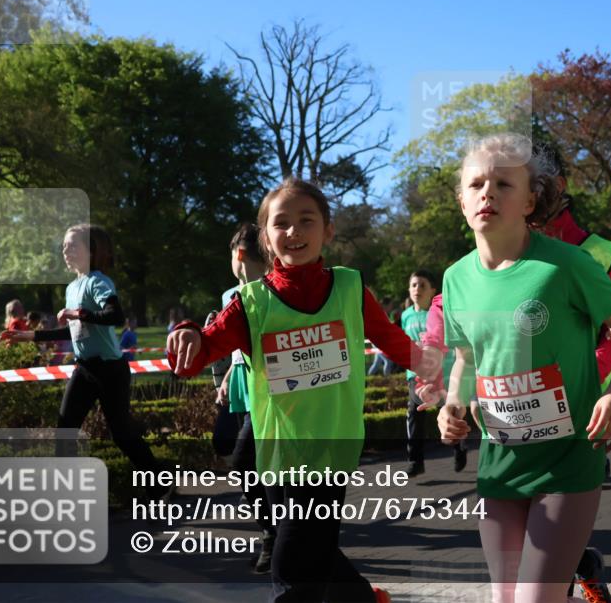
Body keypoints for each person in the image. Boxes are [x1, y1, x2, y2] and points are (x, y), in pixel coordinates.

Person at [167, 178, 437, 603]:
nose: (294, 232)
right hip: (278, 450)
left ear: (327, 230)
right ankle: (365, 599)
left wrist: (440, 371)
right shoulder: (250, 302)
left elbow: (392, 340)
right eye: (282, 223)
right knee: (315, 543)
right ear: (267, 239)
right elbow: (202, 349)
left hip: (332, 447)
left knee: (292, 559)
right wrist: (186, 333)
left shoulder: (350, 287)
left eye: (306, 221)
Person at [436, 133, 611, 603]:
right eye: (476, 184)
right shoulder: (456, 278)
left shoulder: (565, 266)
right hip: (501, 464)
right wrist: (453, 401)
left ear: (532, 198)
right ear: (462, 201)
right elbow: (466, 356)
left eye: (504, 184)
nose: (487, 193)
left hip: (566, 462)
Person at [0, 225, 169, 498]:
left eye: (72, 245)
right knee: (64, 431)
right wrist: (28, 335)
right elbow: (74, 330)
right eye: (64, 246)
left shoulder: (98, 281)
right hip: (85, 369)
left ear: (91, 251)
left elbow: (115, 316)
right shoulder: (71, 288)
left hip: (111, 371)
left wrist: (79, 312)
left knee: (122, 435)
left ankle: (160, 482)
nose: (65, 250)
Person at [211, 222, 277, 573]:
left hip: (270, 392)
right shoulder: (227, 297)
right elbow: (236, 346)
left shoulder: (271, 290)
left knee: (246, 462)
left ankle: (274, 533)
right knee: (245, 460)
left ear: (238, 255)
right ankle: (276, 531)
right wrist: (226, 380)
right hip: (241, 387)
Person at [402, 269, 467, 477]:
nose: (417, 289)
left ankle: (459, 448)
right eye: (413, 285)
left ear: (433, 291)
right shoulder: (405, 315)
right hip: (416, 376)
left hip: (445, 374)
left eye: (422, 285)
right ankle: (415, 461)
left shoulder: (441, 311)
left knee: (451, 413)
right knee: (415, 412)